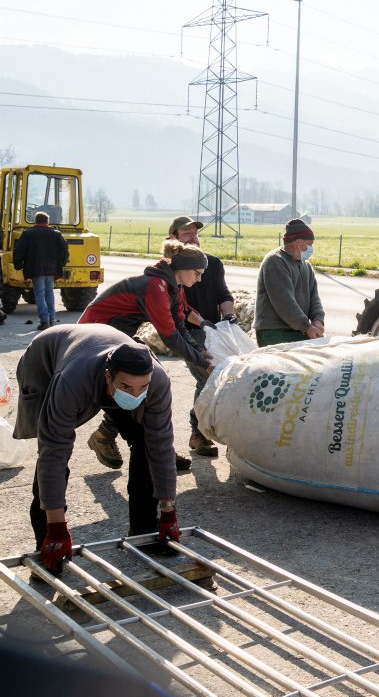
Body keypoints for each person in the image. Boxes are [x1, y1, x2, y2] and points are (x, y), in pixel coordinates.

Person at [13, 325, 181, 574]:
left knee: (146, 442)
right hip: (46, 361)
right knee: (52, 449)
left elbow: (161, 444)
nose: (135, 395)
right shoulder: (71, 382)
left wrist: (168, 510)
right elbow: (54, 452)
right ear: (108, 378)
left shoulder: (156, 381)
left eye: (142, 388)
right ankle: (47, 543)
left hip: (99, 355)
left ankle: (144, 530)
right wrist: (57, 528)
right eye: (126, 388)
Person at [80, 239, 213, 472]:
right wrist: (202, 363)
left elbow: (181, 327)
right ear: (183, 268)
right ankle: (155, 449)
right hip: (94, 335)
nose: (199, 279)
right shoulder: (156, 287)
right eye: (198, 273)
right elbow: (170, 336)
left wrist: (202, 353)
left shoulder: (174, 287)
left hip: (118, 333)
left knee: (150, 384)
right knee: (145, 385)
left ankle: (110, 436)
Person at [168, 215, 235, 458]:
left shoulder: (213, 264)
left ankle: (201, 432)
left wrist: (229, 317)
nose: (193, 237)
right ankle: (199, 432)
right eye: (186, 234)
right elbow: (177, 309)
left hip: (214, 331)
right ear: (173, 239)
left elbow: (224, 295)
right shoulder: (169, 270)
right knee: (210, 378)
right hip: (187, 333)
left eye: (195, 233)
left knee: (216, 379)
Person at [254, 218, 324, 346]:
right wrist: (306, 327)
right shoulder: (275, 261)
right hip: (274, 332)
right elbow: (284, 301)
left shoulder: (306, 266)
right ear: (298, 242)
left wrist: (318, 320)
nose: (311, 248)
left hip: (298, 329)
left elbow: (315, 298)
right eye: (309, 244)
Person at [12, 211, 69, 330]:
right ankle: (52, 320)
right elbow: (65, 250)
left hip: (36, 269)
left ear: (35, 221)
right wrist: (61, 264)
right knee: (49, 293)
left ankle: (44, 322)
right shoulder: (56, 234)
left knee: (40, 294)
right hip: (52, 270)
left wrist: (18, 265)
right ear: (47, 222)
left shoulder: (28, 233)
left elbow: (19, 251)